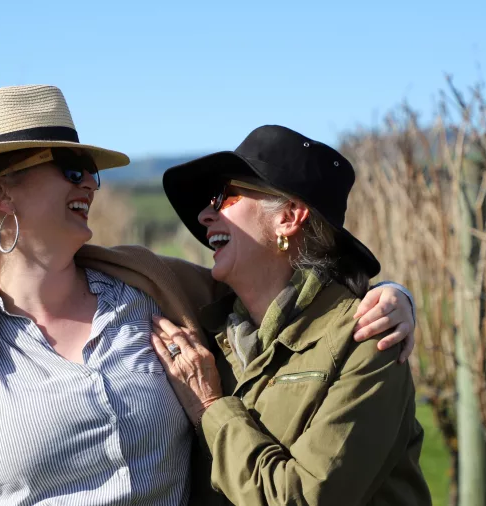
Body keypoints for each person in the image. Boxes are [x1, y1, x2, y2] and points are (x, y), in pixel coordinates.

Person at [0, 85, 418, 505]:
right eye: (73, 170)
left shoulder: (153, 292)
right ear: (0, 192)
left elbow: (282, 288)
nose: (91, 185)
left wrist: (393, 297)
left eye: (91, 172)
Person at [151, 125, 432, 505]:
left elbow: (300, 499)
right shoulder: (213, 332)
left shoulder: (369, 341)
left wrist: (210, 408)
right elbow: (122, 264)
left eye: (224, 197)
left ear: (288, 217)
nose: (204, 214)